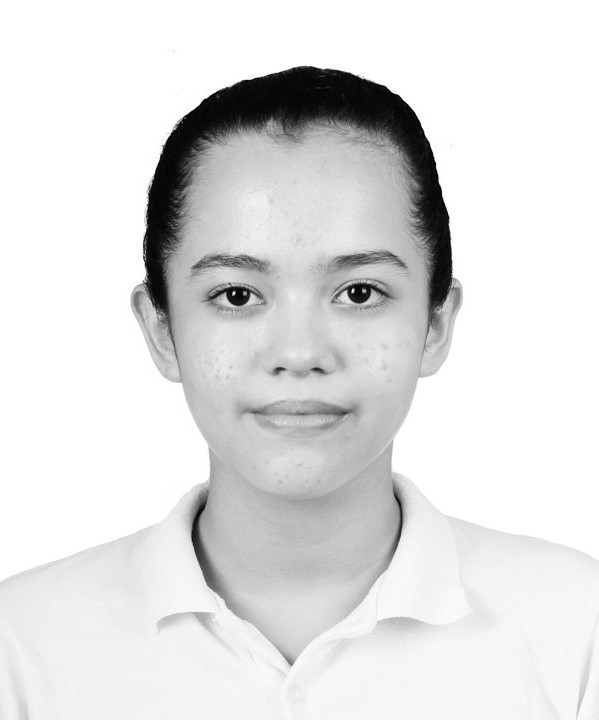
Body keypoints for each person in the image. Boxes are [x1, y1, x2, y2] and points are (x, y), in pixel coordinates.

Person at [0, 65, 598, 719]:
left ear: (434, 324)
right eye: (236, 295)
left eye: (359, 293)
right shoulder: (22, 646)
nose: (299, 353)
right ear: (162, 330)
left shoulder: (576, 632)